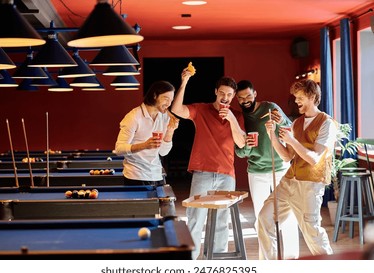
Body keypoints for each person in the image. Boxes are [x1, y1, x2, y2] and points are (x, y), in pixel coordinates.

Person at [171, 67, 246, 260]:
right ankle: (191, 260)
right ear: (215, 92)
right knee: (196, 218)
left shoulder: (236, 116)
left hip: (226, 174)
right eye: (222, 93)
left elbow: (241, 143)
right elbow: (176, 109)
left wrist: (231, 120)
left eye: (229, 94)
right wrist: (185, 82)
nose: (225, 97)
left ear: (233, 96)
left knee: (222, 221)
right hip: (202, 173)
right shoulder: (202, 110)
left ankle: (216, 262)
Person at [258, 79, 336, 259]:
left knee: (312, 233)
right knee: (264, 218)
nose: (296, 101)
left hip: (310, 185)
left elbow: (314, 158)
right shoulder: (297, 123)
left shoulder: (327, 123)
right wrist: (272, 135)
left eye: (300, 97)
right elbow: (287, 156)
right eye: (295, 97)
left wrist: (292, 140)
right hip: (289, 181)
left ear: (312, 97)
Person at [234, 80, 300, 259]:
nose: (245, 100)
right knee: (261, 217)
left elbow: (289, 129)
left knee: (287, 213)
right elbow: (240, 152)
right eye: (240, 98)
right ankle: (267, 259)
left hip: (280, 167)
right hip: (256, 171)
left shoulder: (270, 107)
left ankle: (292, 257)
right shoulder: (240, 119)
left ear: (255, 94)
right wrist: (247, 145)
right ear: (237, 100)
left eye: (248, 95)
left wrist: (282, 120)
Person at [115, 80, 179, 186]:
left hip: (157, 175)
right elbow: (119, 149)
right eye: (166, 99)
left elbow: (163, 152)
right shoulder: (133, 117)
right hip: (135, 176)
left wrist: (170, 131)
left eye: (171, 101)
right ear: (154, 95)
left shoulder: (165, 117)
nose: (168, 104)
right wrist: (144, 145)